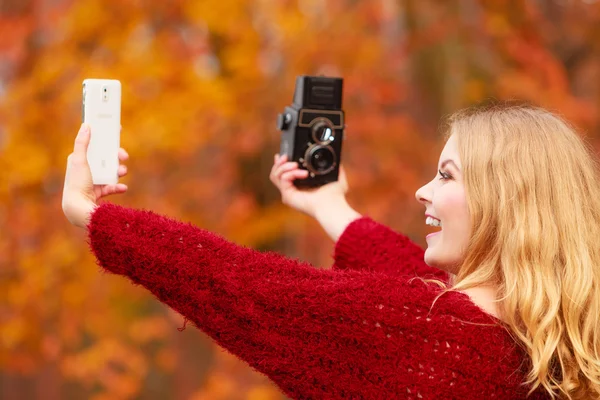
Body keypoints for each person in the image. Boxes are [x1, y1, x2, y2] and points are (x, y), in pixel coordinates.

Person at [61, 103, 600, 399]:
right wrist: (330, 206)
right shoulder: (547, 342)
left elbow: (248, 285)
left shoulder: (429, 334)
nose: (423, 191)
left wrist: (92, 214)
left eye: (446, 175)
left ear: (506, 201)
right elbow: (407, 274)